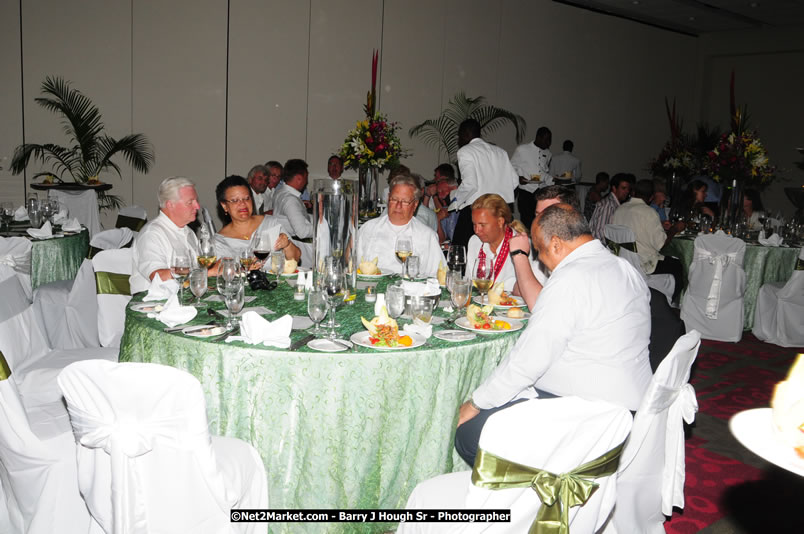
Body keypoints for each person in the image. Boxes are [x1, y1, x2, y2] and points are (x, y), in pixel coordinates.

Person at [454, 203, 652, 466]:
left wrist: (476, 403)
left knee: (468, 435)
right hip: (632, 406)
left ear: (556, 244)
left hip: (589, 414)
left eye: (539, 251)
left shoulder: (571, 278)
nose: (540, 260)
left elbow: (529, 360)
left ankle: (535, 497)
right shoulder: (626, 269)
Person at [356, 173, 443, 277]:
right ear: (388, 199)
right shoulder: (368, 229)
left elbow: (437, 276)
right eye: (394, 199)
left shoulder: (427, 236)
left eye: (405, 201)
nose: (398, 205)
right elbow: (354, 268)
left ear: (415, 205)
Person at [612, 179, 685, 304]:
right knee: (680, 266)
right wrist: (674, 229)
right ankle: (665, 306)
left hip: (622, 261)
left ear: (633, 192)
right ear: (651, 197)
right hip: (644, 264)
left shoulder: (620, 209)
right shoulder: (649, 213)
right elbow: (661, 245)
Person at [451, 119, 520, 250]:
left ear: (465, 134)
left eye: (459, 135)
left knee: (461, 251)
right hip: (500, 213)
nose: (458, 140)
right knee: (499, 251)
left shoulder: (465, 151)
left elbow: (470, 184)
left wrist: (455, 201)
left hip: (477, 211)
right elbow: (515, 181)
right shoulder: (501, 152)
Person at [510, 186, 581, 310]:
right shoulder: (547, 249)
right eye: (537, 215)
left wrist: (520, 255)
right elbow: (518, 290)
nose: (539, 222)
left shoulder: (578, 256)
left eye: (547, 215)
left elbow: (542, 308)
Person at [131, 177, 204, 293]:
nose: (197, 207)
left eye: (196, 201)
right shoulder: (151, 234)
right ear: (170, 205)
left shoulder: (188, 232)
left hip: (182, 299)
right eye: (190, 202)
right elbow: (157, 277)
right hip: (153, 304)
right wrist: (202, 273)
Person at [212, 175, 300, 263]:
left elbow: (296, 258)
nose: (243, 204)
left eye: (246, 198)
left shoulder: (270, 224)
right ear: (224, 206)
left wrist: (287, 245)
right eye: (235, 200)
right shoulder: (220, 242)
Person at [466, 194, 529, 293]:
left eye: (482, 225)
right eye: (474, 224)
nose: (477, 230)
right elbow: (468, 284)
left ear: (500, 222)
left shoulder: (522, 245)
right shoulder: (474, 242)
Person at [511, 126, 553, 230]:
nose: (548, 143)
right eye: (546, 139)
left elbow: (544, 173)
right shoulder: (522, 149)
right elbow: (512, 167)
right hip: (526, 192)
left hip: (541, 193)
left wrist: (553, 180)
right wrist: (518, 178)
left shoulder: (548, 154)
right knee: (527, 222)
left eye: (550, 140)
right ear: (538, 137)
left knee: (540, 223)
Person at [273, 159, 313, 239]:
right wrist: (325, 228)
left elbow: (300, 216)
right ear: (299, 178)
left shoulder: (280, 192)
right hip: (293, 244)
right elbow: (303, 232)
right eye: (306, 177)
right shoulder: (290, 200)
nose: (306, 182)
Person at [589, 173, 634, 241]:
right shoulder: (608, 205)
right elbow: (599, 233)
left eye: (628, 189)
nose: (627, 191)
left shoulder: (612, 204)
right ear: (614, 188)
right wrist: (613, 249)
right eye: (623, 188)